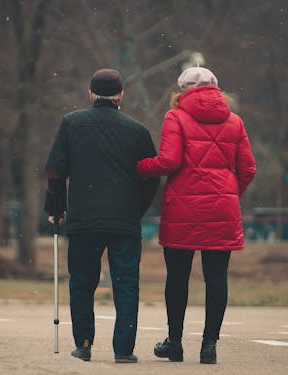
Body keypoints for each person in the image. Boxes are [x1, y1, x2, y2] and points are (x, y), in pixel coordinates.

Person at [137, 67, 256, 364]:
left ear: (182, 89)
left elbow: (168, 161)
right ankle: (209, 347)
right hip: (223, 210)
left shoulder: (175, 116)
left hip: (183, 209)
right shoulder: (235, 121)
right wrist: (227, 196)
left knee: (177, 277)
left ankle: (174, 343)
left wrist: (139, 167)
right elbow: (248, 169)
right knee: (216, 277)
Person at [44, 68, 159, 363]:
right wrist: (136, 210)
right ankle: (123, 350)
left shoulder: (71, 123)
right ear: (121, 95)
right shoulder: (138, 131)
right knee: (126, 282)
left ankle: (83, 344)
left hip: (84, 218)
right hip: (124, 220)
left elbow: (56, 169)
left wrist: (56, 209)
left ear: (90, 94)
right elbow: (151, 177)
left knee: (82, 281)